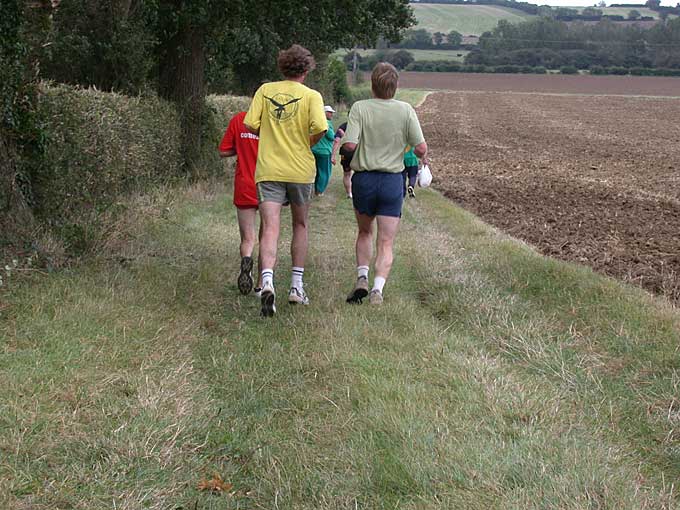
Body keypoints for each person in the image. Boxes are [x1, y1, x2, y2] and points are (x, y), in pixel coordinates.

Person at [244, 44, 328, 317]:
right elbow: (320, 128)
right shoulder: (312, 96)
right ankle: (296, 286)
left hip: (269, 169)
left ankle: (267, 281)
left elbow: (250, 124)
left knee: (270, 227)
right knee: (300, 224)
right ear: (306, 69)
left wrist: (272, 135)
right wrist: (305, 142)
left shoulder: (265, 90)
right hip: (300, 171)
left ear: (282, 67)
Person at [343, 62, 429, 305]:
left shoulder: (360, 107)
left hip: (364, 180)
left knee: (364, 232)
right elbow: (421, 148)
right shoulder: (405, 110)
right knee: (386, 240)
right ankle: (377, 290)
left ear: (372, 85)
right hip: (392, 181)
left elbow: (349, 145)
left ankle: (362, 277)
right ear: (396, 86)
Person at [218, 111, 262, 296]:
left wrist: (241, 149)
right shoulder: (273, 120)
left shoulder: (239, 119)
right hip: (269, 184)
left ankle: (246, 262)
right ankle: (261, 285)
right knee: (267, 237)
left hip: (244, 183)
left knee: (247, 238)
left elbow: (223, 151)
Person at [312, 106, 335, 196]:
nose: (331, 114)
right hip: (324, 151)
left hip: (315, 150)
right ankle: (319, 191)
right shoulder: (327, 123)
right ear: (324, 113)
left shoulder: (315, 122)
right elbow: (331, 137)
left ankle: (316, 189)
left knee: (318, 171)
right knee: (325, 172)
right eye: (330, 112)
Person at [331, 121, 354, 198]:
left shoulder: (343, 126)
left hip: (346, 152)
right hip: (357, 152)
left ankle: (349, 193)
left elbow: (337, 141)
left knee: (347, 174)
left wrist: (333, 156)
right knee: (360, 173)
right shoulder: (361, 124)